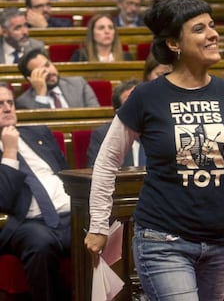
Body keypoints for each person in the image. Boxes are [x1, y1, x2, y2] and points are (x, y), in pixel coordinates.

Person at [84, 0, 224, 301]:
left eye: (213, 26)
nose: (213, 34)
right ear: (175, 43)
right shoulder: (146, 96)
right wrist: (98, 223)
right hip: (162, 240)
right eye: (200, 29)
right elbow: (108, 160)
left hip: (222, 243)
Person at [0, 82, 71, 301]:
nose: (7, 108)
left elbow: (65, 173)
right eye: (0, 104)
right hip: (27, 222)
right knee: (39, 243)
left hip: (70, 215)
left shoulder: (37, 133)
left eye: (10, 102)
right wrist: (10, 151)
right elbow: (3, 199)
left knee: (106, 228)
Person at [87, 79, 146, 167]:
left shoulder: (166, 131)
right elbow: (95, 172)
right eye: (132, 104)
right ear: (119, 113)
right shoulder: (104, 135)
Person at [16, 48, 100, 109]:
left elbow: (96, 115)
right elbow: (41, 129)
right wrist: (41, 95)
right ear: (30, 79)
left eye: (47, 65)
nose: (48, 72)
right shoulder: (23, 103)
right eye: (41, 71)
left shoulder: (79, 84)